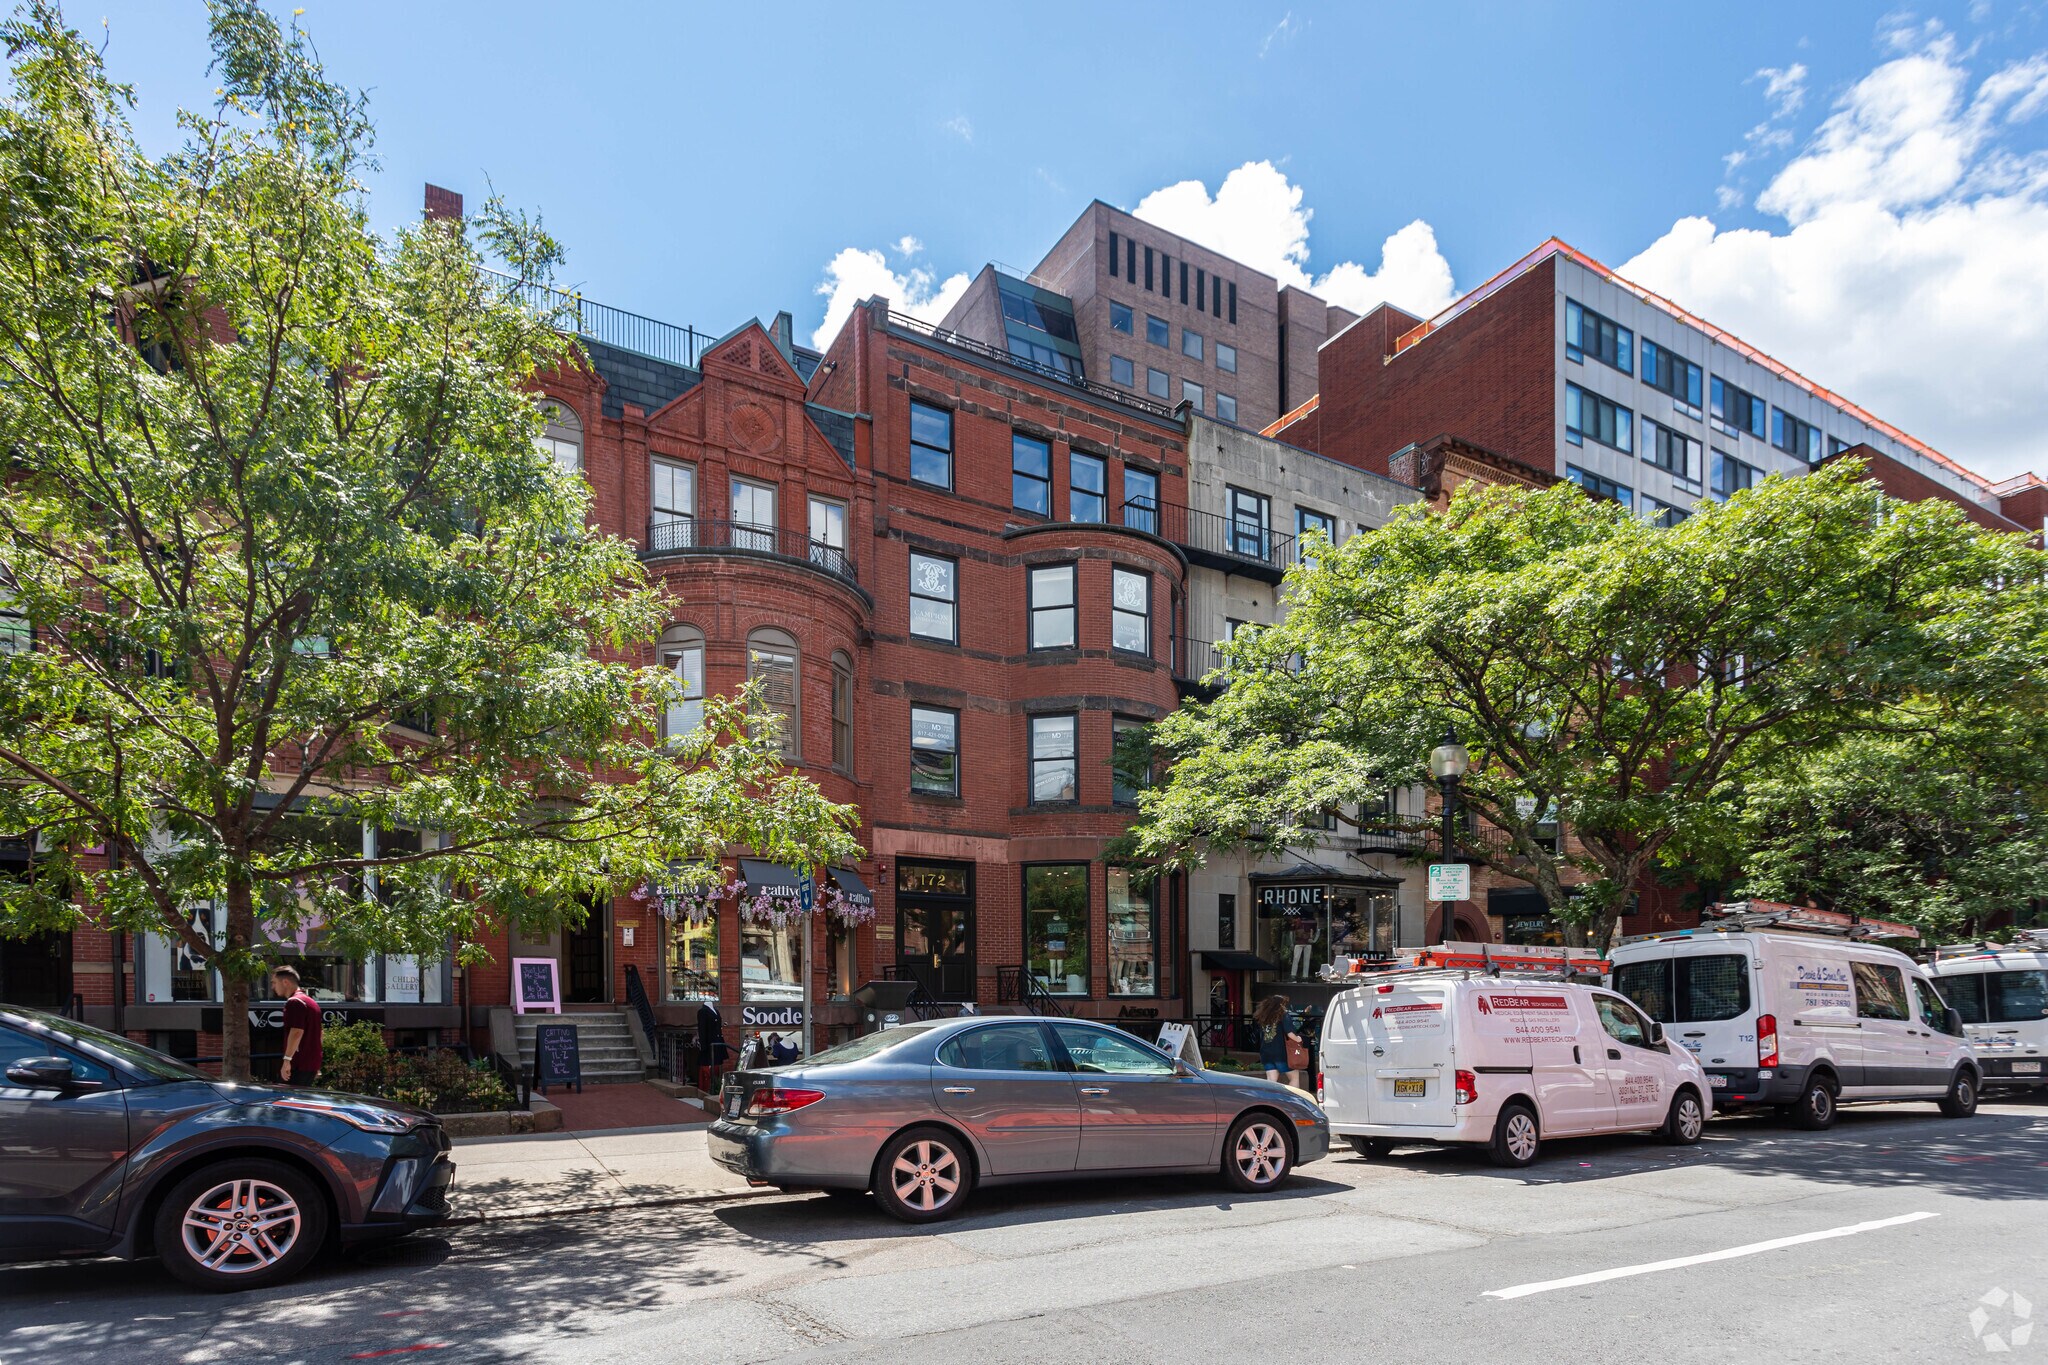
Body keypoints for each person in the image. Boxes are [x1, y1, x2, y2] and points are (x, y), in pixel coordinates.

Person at [272, 965, 323, 1087]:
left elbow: (296, 1032)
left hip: (297, 1063)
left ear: (285, 982)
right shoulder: (311, 1002)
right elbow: (320, 1034)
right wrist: (317, 1064)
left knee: (285, 1096)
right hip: (310, 1064)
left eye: (274, 982)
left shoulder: (294, 1002)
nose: (273, 987)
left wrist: (287, 1060)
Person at [1253, 994, 1303, 1088]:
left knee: (1271, 1080)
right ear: (1280, 1005)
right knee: (1294, 1078)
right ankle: (1292, 1097)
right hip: (1281, 1053)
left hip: (1266, 1053)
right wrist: (1298, 1039)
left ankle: (1269, 1097)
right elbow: (1290, 1033)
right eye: (1284, 1004)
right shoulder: (1283, 1015)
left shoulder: (1264, 1017)